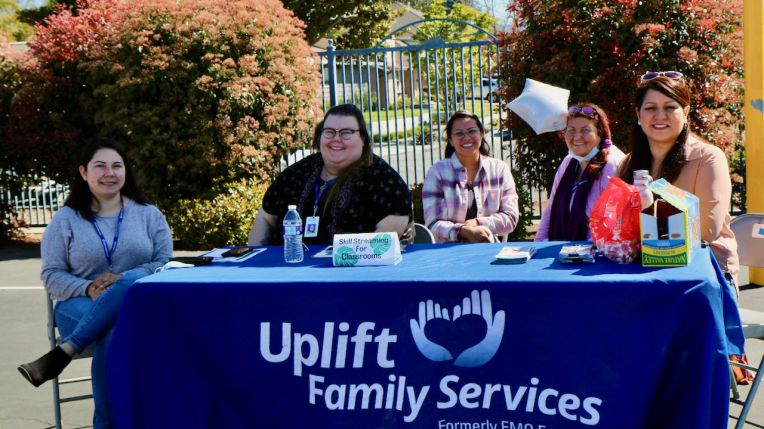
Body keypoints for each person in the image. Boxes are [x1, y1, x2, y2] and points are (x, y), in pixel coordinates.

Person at [18, 138, 173, 428]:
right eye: (99, 166)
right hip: (77, 306)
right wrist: (88, 288)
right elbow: (51, 275)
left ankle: (66, 352)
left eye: (117, 165)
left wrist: (125, 280)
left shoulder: (148, 213)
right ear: (83, 172)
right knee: (114, 329)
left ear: (126, 171)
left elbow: (165, 262)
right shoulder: (66, 219)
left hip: (137, 304)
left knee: (128, 292)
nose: (109, 173)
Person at [618, 71, 739, 287]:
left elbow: (706, 231)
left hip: (704, 277)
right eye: (650, 108)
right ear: (638, 114)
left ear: (686, 112)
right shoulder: (628, 164)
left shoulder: (708, 158)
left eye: (670, 107)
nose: (660, 115)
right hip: (640, 274)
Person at [248, 103, 412, 245]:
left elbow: (381, 243)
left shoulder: (384, 180)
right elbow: (265, 218)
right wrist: (258, 259)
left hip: (351, 275)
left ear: (362, 139)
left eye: (346, 132)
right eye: (329, 132)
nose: (336, 139)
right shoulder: (297, 173)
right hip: (285, 270)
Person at [422, 111, 519, 243]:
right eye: (459, 133)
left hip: (489, 250)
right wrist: (462, 231)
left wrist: (477, 223)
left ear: (481, 134)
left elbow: (510, 217)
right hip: (448, 253)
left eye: (472, 131)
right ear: (450, 140)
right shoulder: (437, 172)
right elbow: (432, 223)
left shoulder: (499, 169)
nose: (466, 138)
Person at [535, 103, 625, 241]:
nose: (577, 137)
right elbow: (550, 210)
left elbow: (613, 225)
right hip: (565, 253)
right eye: (571, 130)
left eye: (585, 130)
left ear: (600, 133)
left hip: (596, 254)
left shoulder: (611, 165)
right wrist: (538, 246)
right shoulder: (568, 162)